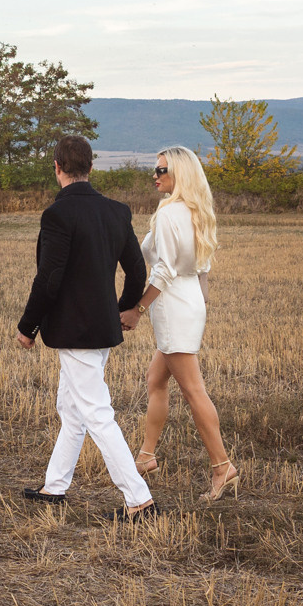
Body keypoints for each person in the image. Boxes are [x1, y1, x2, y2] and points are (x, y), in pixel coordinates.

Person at [16, 135, 158, 521]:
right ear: (91, 168)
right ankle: (55, 485)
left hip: (75, 332)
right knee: (72, 409)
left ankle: (139, 501)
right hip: (102, 327)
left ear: (57, 168)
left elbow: (49, 278)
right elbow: (137, 269)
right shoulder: (116, 211)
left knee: (96, 413)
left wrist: (28, 326)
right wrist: (123, 309)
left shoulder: (57, 215)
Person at [122, 145, 239, 501]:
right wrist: (201, 304)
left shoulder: (171, 213)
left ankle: (222, 467)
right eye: (154, 170)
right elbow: (199, 268)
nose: (154, 176)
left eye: (161, 171)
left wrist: (137, 310)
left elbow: (163, 269)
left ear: (180, 174)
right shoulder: (193, 210)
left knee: (192, 390)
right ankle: (146, 456)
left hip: (172, 305)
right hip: (188, 301)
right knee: (156, 379)